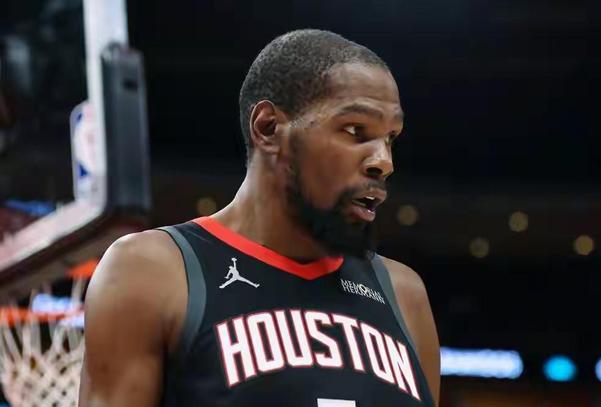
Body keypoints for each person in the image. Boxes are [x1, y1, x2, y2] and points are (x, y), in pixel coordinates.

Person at [79, 29, 440, 406]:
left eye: (390, 138)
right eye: (355, 131)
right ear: (268, 128)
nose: (384, 161)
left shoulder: (404, 294)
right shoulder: (152, 272)